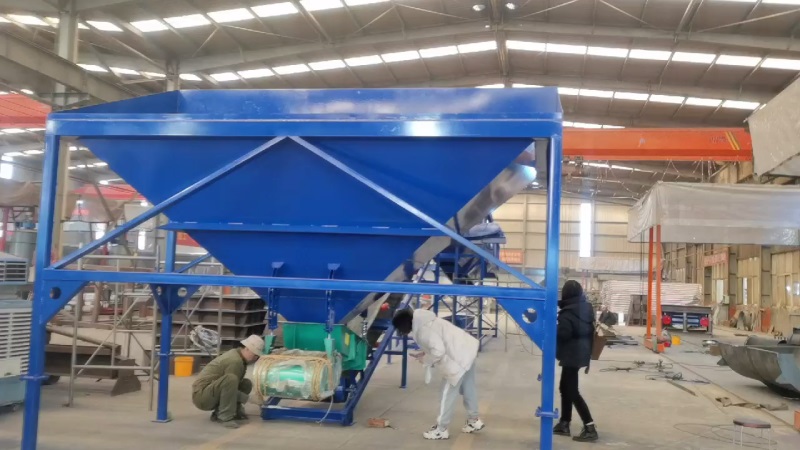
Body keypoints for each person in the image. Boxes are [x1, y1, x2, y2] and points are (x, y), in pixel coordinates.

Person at [392, 308, 484, 440]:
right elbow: (438, 343)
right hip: (466, 352)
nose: (402, 332)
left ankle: (441, 429)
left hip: (457, 359)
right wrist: (425, 354)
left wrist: (426, 360)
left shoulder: (424, 330)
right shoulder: (426, 320)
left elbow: (438, 351)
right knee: (468, 388)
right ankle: (474, 420)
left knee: (446, 394)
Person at [553, 280, 599, 442]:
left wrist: (553, 328)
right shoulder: (585, 309)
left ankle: (590, 427)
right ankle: (564, 423)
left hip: (571, 355)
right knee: (564, 387)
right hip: (581, 354)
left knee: (572, 391)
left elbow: (564, 334)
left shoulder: (567, 313)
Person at [192, 334, 264, 429]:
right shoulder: (235, 361)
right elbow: (231, 388)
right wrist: (249, 399)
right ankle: (225, 417)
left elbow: (233, 387)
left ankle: (227, 412)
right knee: (231, 379)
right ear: (247, 349)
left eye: (257, 356)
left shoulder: (239, 357)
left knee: (246, 384)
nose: (255, 358)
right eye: (254, 354)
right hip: (202, 397)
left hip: (210, 391)